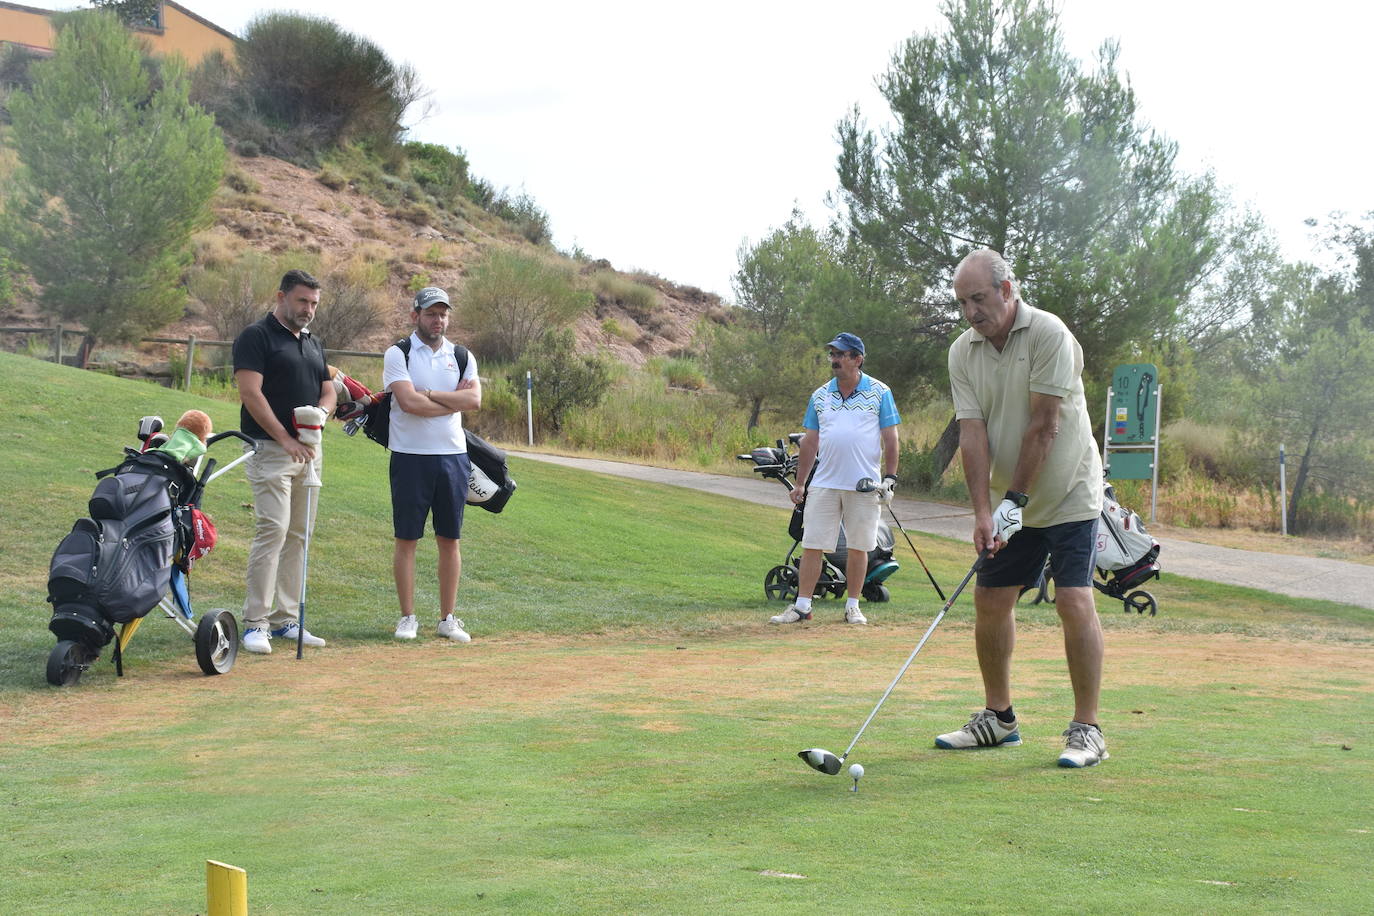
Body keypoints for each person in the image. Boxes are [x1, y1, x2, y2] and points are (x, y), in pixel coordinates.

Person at [939, 249, 1108, 767]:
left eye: (980, 298)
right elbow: (972, 435)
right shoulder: (962, 353)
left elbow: (1045, 425)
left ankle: (1087, 729)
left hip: (1070, 490)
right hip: (1011, 500)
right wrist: (984, 511)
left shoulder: (1050, 333)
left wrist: (1015, 500)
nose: (971, 312)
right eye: (963, 302)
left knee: (1072, 599)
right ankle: (999, 719)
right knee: (991, 600)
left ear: (1007, 289)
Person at [232, 269, 336, 654]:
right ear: (281, 297)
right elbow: (250, 393)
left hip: (310, 450)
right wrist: (284, 438)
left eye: (313, 303)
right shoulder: (255, 337)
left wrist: (321, 415)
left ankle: (286, 619)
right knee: (273, 530)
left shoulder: (313, 342)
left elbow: (328, 390)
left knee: (299, 535)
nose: (308, 310)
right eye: (302, 301)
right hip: (270, 449)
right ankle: (255, 623)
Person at [769, 332, 900, 626]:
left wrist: (890, 478)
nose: (835, 360)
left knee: (859, 546)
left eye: (841, 354)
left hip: (864, 484)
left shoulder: (880, 392)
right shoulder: (820, 395)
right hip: (825, 482)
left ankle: (853, 605)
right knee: (813, 543)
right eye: (832, 354)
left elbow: (891, 439)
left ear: (857, 359)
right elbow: (810, 442)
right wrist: (801, 482)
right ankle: (802, 605)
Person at [383, 286, 482, 643]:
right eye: (430, 313)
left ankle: (447, 619)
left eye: (442, 314)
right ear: (416, 316)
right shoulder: (399, 353)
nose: (437, 320)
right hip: (410, 456)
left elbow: (474, 400)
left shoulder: (462, 355)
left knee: (449, 539)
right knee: (407, 538)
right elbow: (409, 403)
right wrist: (450, 401)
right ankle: (407, 617)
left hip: (453, 457)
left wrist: (432, 395)